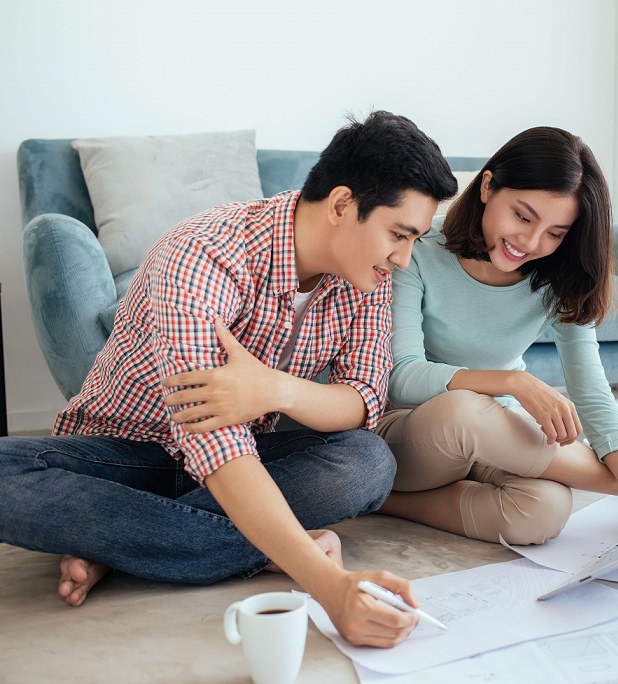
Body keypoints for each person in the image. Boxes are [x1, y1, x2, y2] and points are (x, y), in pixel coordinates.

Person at [0, 111, 457, 648]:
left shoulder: (366, 277)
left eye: (413, 241)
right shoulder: (205, 253)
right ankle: (245, 545)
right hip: (122, 460)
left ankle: (117, 543)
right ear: (341, 205)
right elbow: (216, 446)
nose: (403, 260)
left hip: (245, 458)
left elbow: (364, 401)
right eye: (398, 235)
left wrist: (273, 389)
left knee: (368, 462)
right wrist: (327, 582)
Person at [374, 126, 618, 547]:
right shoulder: (418, 248)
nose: (529, 242)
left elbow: (592, 391)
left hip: (496, 434)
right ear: (488, 186)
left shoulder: (557, 276)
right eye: (523, 216)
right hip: (410, 433)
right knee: (464, 411)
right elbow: (400, 375)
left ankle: (381, 502)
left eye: (555, 233)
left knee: (543, 512)